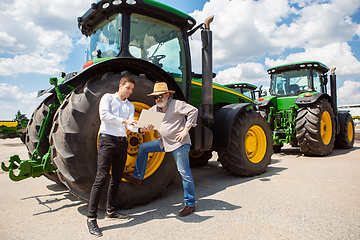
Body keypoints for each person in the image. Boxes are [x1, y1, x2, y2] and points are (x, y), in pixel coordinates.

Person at [87, 76, 153, 237]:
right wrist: (125, 120)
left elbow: (130, 127)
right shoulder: (108, 98)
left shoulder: (130, 106)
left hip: (122, 142)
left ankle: (110, 211)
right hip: (107, 140)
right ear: (121, 86)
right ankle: (91, 218)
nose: (130, 92)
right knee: (101, 178)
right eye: (128, 88)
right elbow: (104, 116)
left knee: (116, 178)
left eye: (132, 89)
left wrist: (141, 130)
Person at [124, 82, 198, 217]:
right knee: (143, 148)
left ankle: (190, 204)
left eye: (161, 96)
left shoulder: (177, 104)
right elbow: (142, 125)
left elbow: (194, 111)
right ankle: (138, 177)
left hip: (179, 143)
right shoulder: (155, 110)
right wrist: (140, 129)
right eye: (156, 97)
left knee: (184, 173)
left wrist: (186, 130)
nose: (158, 99)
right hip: (164, 142)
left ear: (167, 95)